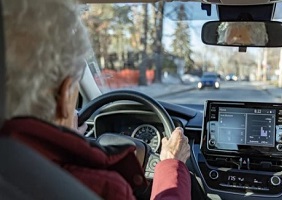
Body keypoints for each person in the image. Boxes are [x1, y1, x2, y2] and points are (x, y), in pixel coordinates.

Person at [0, 0, 191, 200]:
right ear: (65, 97)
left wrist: (66, 137)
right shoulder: (103, 188)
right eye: (75, 88)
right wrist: (171, 164)